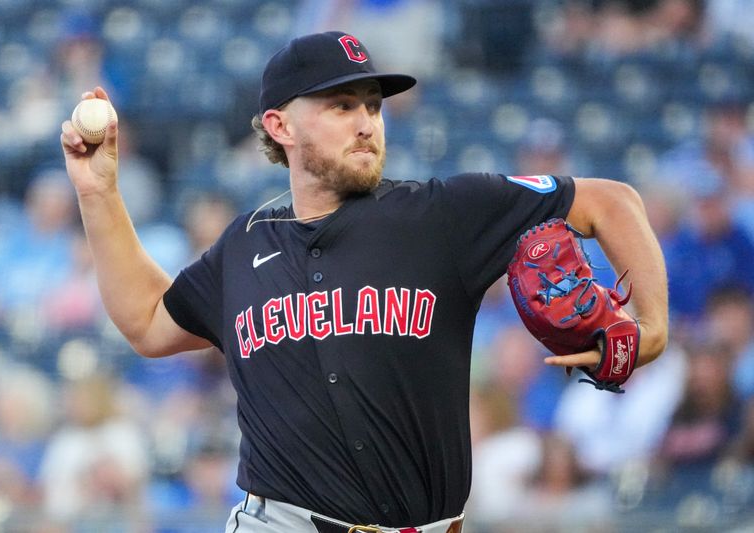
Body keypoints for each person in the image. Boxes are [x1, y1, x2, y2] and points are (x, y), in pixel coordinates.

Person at [60, 31, 668, 532]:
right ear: (280, 126)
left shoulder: (442, 215)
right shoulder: (244, 246)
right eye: (341, 105)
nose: (366, 123)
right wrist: (98, 192)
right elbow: (145, 320)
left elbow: (609, 202)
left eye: (373, 105)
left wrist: (653, 328)